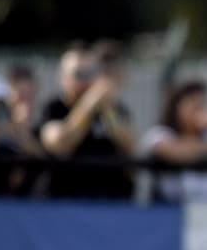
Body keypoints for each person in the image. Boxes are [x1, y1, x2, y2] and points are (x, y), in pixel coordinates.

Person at [38, 42, 135, 199]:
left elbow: (129, 146)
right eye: (78, 74)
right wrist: (88, 105)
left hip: (111, 201)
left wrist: (106, 109)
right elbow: (60, 143)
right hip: (65, 202)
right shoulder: (54, 108)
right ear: (63, 78)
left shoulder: (112, 109)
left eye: (90, 73)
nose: (85, 80)